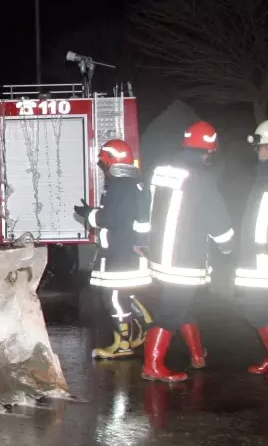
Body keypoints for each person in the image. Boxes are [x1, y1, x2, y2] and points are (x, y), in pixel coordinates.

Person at [142, 121, 234, 382]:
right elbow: (217, 219)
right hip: (185, 258)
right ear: (209, 150)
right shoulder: (201, 177)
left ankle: (197, 355)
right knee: (171, 310)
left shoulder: (160, 171)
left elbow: (148, 208)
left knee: (185, 303)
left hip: (161, 255)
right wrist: (228, 245)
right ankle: (153, 365)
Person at [74, 139, 154, 360]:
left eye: (105, 163)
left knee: (115, 297)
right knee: (123, 293)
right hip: (128, 250)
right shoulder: (135, 184)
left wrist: (89, 213)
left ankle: (123, 344)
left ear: (112, 161)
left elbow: (111, 218)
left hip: (120, 252)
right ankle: (145, 324)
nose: (104, 168)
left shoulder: (119, 185)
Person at [237, 120, 268, 375]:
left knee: (256, 309)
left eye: (261, 146)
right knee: (257, 309)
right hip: (257, 257)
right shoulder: (261, 176)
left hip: (263, 259)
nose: (258, 152)